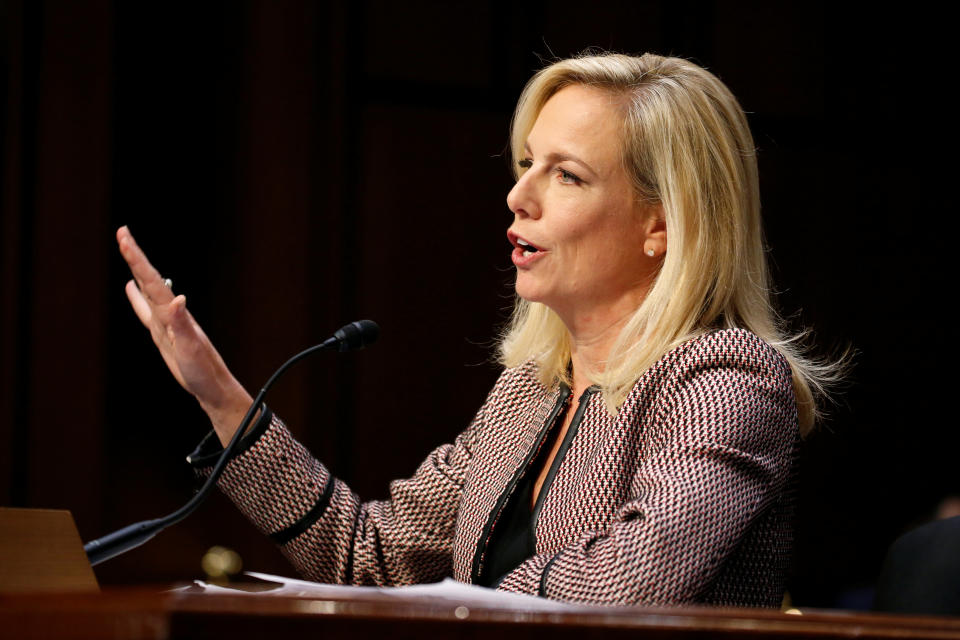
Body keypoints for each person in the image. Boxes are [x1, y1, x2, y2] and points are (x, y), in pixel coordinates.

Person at [116, 52, 837, 606]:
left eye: (567, 175)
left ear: (662, 223)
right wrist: (220, 395)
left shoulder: (725, 379)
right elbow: (367, 555)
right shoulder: (527, 394)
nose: (518, 195)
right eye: (528, 164)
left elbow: (630, 578)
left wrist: (450, 612)